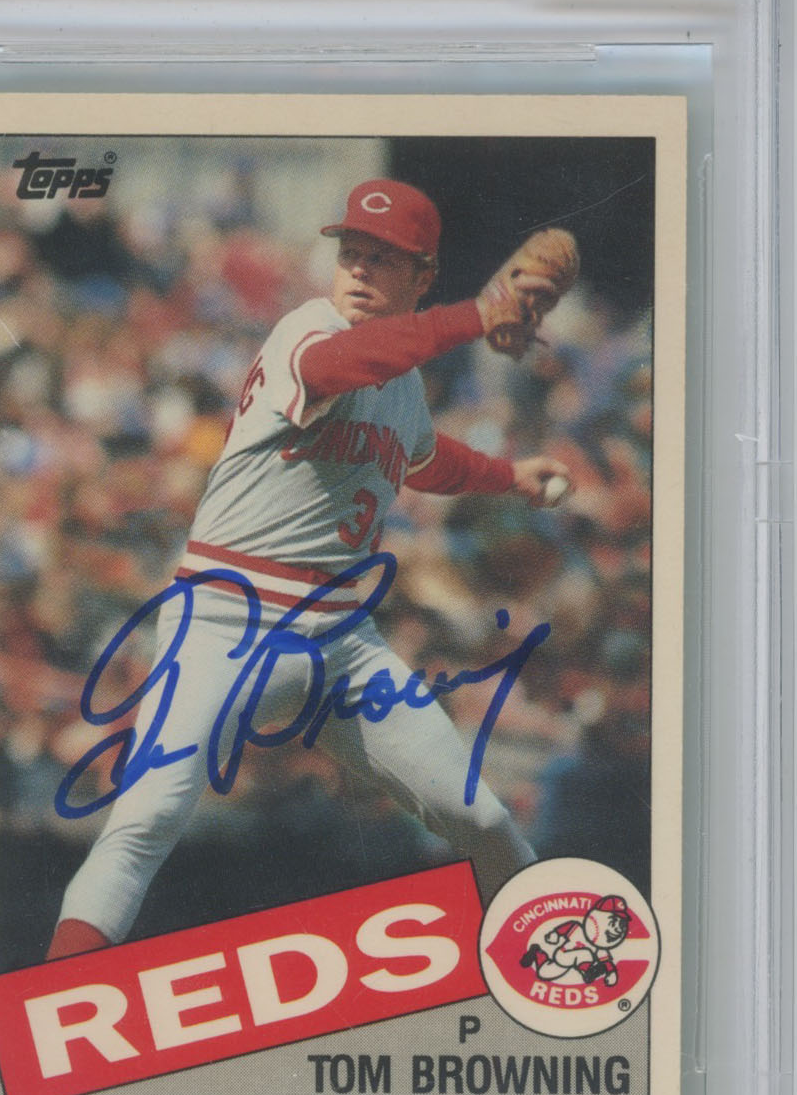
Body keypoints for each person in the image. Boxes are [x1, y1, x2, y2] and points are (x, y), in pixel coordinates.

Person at [47, 179, 572, 958]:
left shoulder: (401, 381)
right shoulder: (309, 330)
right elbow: (340, 366)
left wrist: (509, 475)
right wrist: (472, 315)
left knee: (483, 816)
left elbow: (423, 457)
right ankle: (58, 1004)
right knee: (144, 821)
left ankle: (559, 961)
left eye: (382, 259)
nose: (358, 269)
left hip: (338, 641)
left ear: (422, 275)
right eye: (351, 252)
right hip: (224, 622)